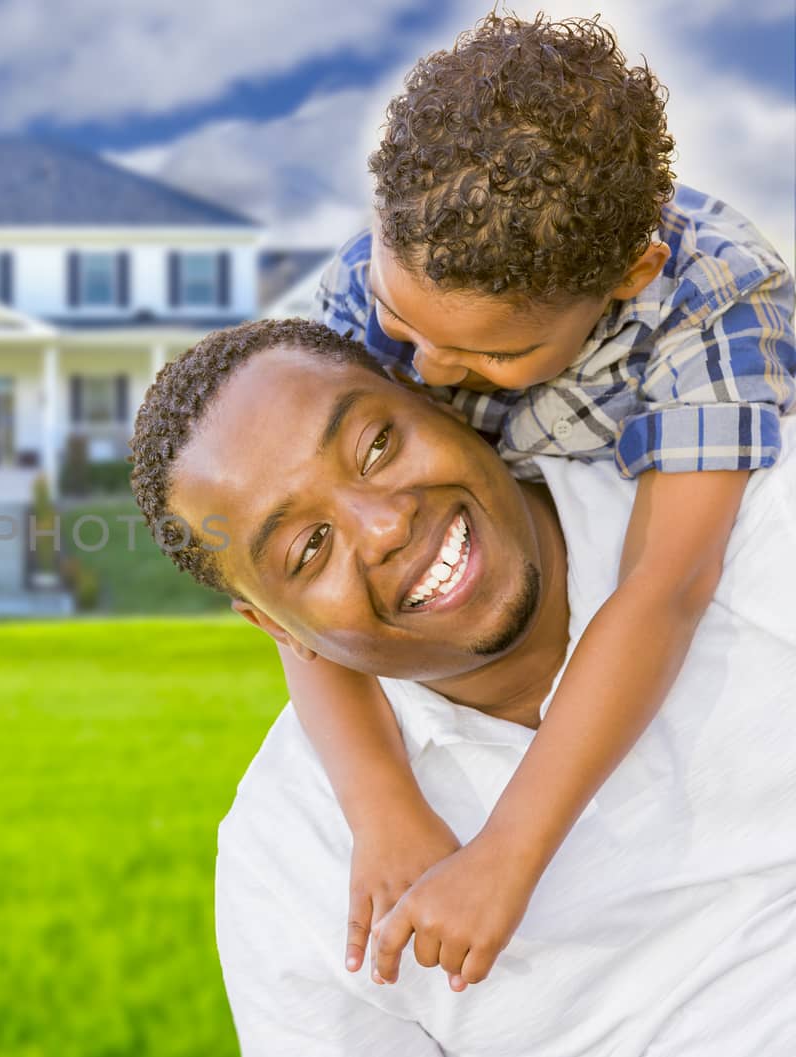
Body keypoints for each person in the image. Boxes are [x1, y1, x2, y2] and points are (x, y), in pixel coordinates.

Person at [127, 318, 796, 1054]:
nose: (383, 526)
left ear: (436, 396)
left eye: (376, 446)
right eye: (308, 548)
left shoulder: (752, 512)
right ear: (276, 628)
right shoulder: (289, 859)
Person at [299, 13, 795, 988]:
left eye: (492, 354)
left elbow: (664, 585)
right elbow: (284, 565)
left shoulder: (718, 300)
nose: (427, 369)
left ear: (628, 277)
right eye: (406, 323)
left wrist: (506, 854)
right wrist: (381, 801)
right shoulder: (366, 288)